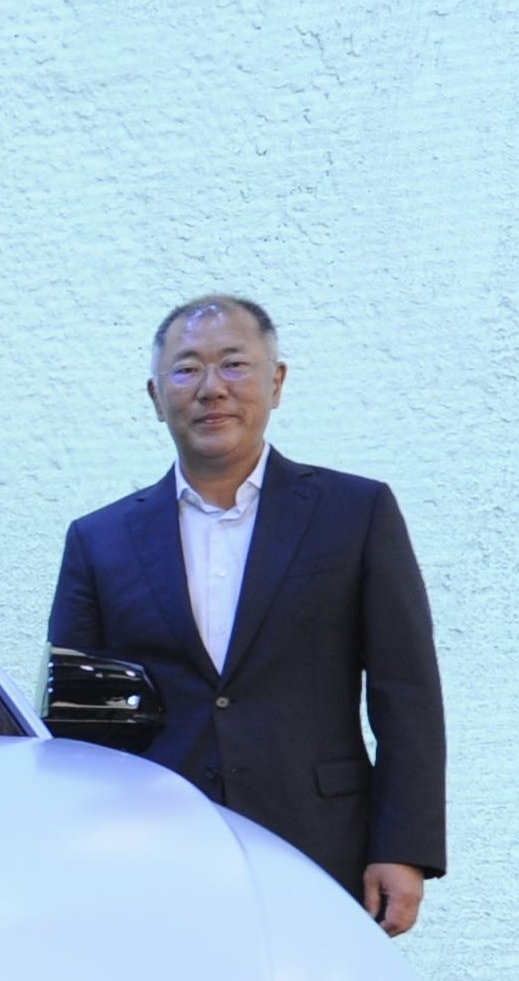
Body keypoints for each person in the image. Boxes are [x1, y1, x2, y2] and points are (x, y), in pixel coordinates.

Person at [45, 294, 446, 933]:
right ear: (155, 396)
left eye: (234, 365)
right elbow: (77, 722)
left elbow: (407, 693)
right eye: (187, 369)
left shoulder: (354, 514)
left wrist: (402, 848)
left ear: (276, 382)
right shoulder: (101, 540)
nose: (212, 389)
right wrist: (79, 848)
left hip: (320, 842)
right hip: (154, 850)